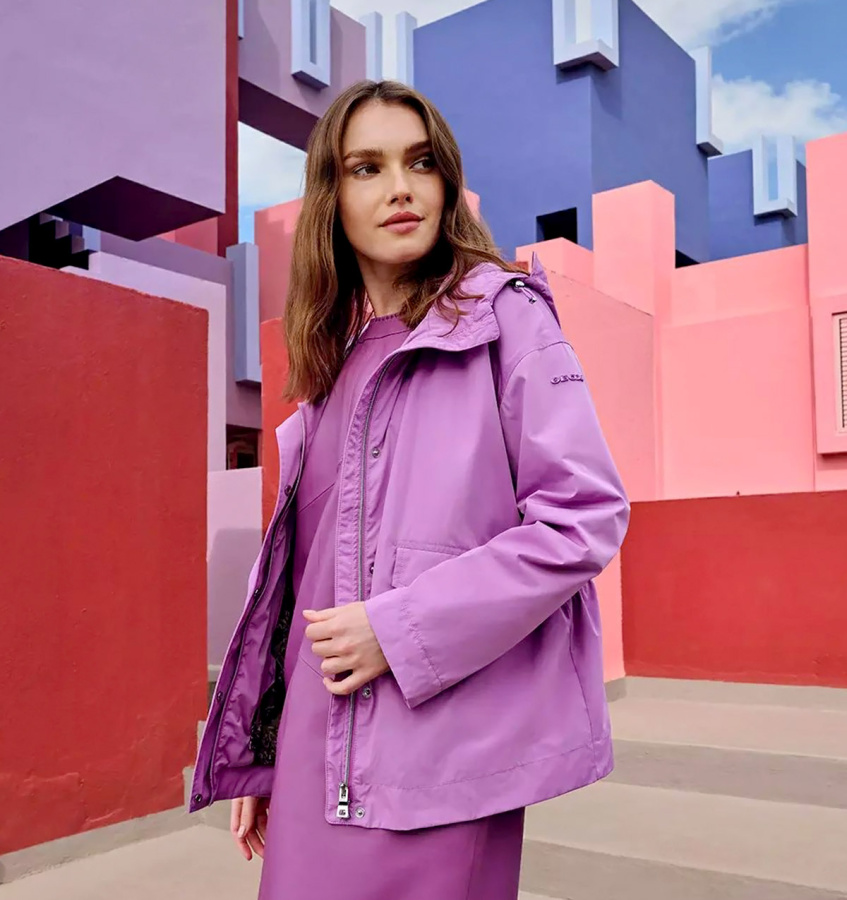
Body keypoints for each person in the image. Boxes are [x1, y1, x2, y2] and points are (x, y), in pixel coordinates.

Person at [188, 79, 629, 900]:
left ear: (446, 183)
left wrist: (399, 630)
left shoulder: (507, 318)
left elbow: (582, 517)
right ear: (332, 198)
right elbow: (298, 586)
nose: (400, 187)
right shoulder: (329, 367)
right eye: (367, 167)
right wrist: (263, 747)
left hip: (440, 751)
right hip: (316, 743)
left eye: (420, 163)